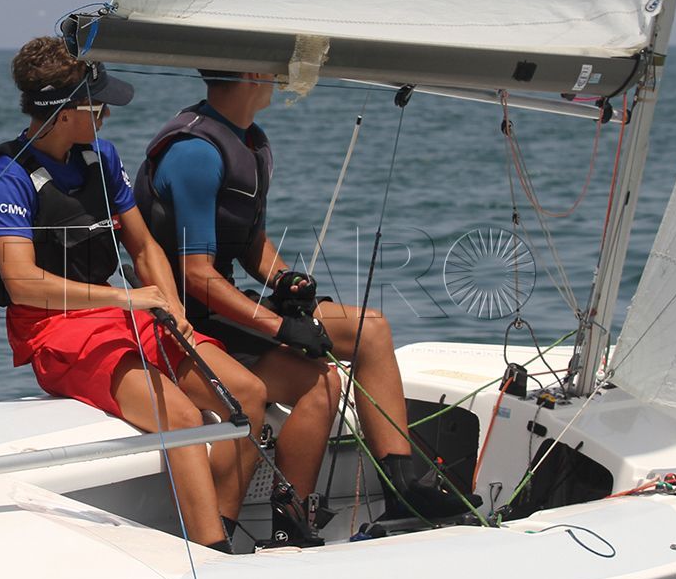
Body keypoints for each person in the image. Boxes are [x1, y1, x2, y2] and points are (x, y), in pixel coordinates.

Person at [0, 38, 269, 552]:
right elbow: (21, 282)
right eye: (98, 105)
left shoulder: (102, 157)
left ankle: (224, 530)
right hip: (53, 331)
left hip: (120, 314)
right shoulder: (7, 175)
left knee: (247, 393)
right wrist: (127, 300)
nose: (107, 113)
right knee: (181, 417)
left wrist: (174, 309)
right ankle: (212, 553)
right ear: (65, 113)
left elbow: (145, 248)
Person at [135, 70, 471, 524]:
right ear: (251, 74)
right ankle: (291, 517)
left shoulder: (250, 142)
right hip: (187, 320)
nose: (281, 75)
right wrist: (281, 327)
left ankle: (400, 490)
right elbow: (196, 276)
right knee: (322, 380)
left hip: (225, 302)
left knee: (370, 330)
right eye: (274, 67)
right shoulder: (195, 153)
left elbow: (249, 241)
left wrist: (283, 280)